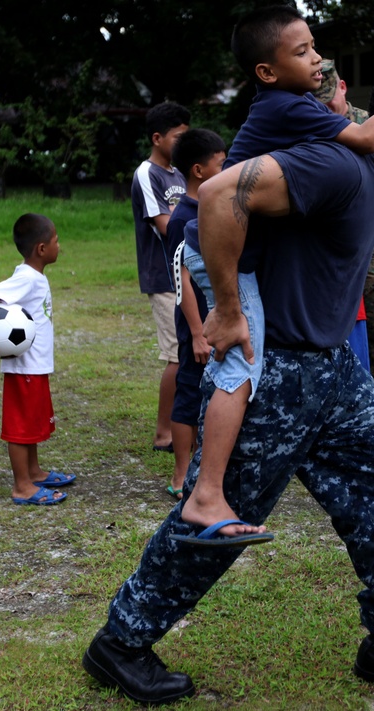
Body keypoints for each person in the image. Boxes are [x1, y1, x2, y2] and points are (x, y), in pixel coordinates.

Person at [81, 59, 374, 705]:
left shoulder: (368, 174)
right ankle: (120, 643)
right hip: (279, 376)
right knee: (219, 519)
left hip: (334, 373)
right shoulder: (339, 167)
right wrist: (229, 308)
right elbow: (220, 196)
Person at [178, 4, 374, 538]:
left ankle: (208, 492)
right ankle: (206, 495)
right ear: (267, 71)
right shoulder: (285, 106)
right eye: (302, 51)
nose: (317, 58)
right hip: (219, 252)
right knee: (238, 365)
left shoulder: (290, 104)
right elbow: (369, 138)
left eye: (315, 47)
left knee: (241, 364)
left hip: (240, 257)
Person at [317, 58, 374, 424]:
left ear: (342, 87)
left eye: (330, 102)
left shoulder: (373, 123)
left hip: (370, 248)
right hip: (328, 246)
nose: (327, 110)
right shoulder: (315, 125)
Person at [0, 213, 76, 506]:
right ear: (41, 249)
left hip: (35, 366)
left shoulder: (34, 276)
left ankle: (33, 471)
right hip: (24, 369)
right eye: (56, 241)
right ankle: (22, 487)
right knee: (20, 428)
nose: (60, 245)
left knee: (32, 424)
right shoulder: (26, 278)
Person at [163, 128, 227, 500]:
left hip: (220, 319)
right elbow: (180, 277)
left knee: (217, 391)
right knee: (189, 392)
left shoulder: (214, 206)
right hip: (196, 325)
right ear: (199, 171)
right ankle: (180, 472)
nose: (229, 169)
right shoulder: (182, 218)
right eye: (222, 164)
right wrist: (197, 332)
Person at [131, 101, 190, 453]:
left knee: (193, 351)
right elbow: (167, 227)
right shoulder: (147, 174)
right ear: (157, 138)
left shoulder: (181, 173)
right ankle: (163, 432)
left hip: (189, 273)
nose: (183, 144)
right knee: (176, 356)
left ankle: (185, 424)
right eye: (178, 137)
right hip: (165, 277)